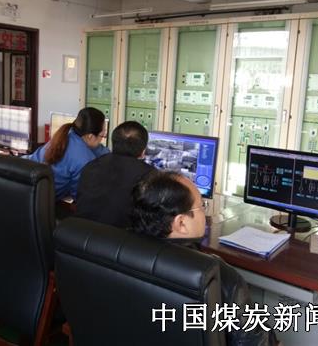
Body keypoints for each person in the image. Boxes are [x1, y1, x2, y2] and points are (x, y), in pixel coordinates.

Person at [131, 171, 278, 346]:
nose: (205, 213)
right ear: (181, 223)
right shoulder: (217, 274)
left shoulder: (118, 250)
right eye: (202, 206)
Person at [76, 121, 155, 228]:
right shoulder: (150, 177)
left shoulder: (91, 166)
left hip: (81, 234)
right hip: (121, 238)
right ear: (143, 151)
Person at [26, 107, 109, 200]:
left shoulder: (63, 137)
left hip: (24, 189)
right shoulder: (85, 159)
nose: (102, 139)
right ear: (90, 136)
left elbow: (99, 150)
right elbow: (79, 197)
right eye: (102, 136)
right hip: (39, 200)